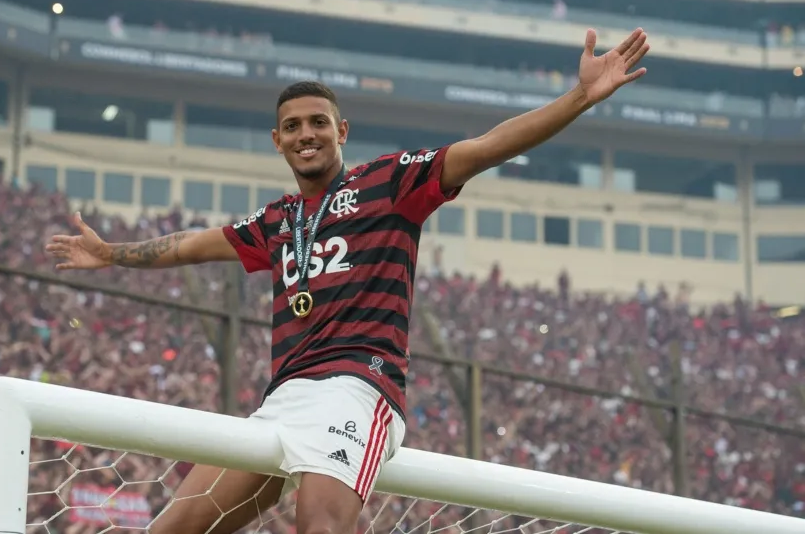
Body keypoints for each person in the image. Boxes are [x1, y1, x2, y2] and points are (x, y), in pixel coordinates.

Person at [45, 28, 649, 534]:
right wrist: (112, 254)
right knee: (169, 528)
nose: (306, 134)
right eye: (292, 126)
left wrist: (578, 98)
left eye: (318, 123)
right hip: (282, 401)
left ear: (342, 131)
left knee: (321, 525)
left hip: (359, 390)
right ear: (278, 141)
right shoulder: (277, 221)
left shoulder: (391, 184)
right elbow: (193, 245)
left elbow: (488, 146)